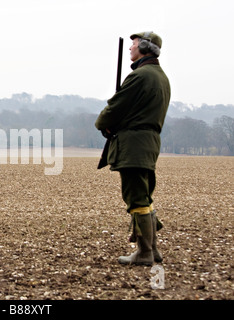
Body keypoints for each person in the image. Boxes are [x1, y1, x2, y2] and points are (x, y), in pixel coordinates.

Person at [95, 31, 171, 266]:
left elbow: (116, 106)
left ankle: (145, 253)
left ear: (145, 47)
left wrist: (102, 124)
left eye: (135, 44)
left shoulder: (140, 76)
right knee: (145, 197)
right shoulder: (160, 77)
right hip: (148, 144)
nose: (130, 48)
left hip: (134, 146)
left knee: (136, 198)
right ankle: (153, 250)